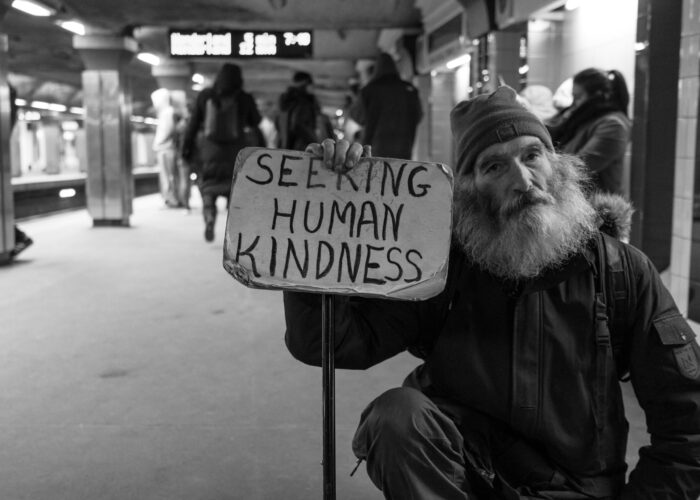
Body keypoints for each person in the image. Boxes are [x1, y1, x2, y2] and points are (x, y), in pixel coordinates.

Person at [283, 86, 700, 499]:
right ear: (471, 190)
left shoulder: (622, 272)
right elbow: (332, 342)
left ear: (558, 165)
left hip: (576, 489)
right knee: (395, 417)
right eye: (494, 167)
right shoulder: (439, 268)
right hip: (467, 480)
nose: (523, 180)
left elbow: (688, 420)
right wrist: (325, 224)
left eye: (532, 155)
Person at [181, 63, 261, 242]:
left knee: (208, 188)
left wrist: (186, 149)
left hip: (209, 152)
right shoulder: (243, 98)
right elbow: (256, 122)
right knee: (235, 191)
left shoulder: (205, 96)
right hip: (235, 152)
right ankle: (234, 233)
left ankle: (209, 217)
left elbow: (192, 125)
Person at [548, 69, 632, 195]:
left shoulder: (613, 126)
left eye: (578, 97)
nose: (574, 104)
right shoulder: (585, 119)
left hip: (599, 210)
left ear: (598, 96)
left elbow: (579, 168)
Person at [349, 52, 422, 159]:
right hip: (404, 150)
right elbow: (419, 116)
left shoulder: (369, 90)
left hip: (375, 151)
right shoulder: (410, 90)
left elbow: (357, 115)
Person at [277, 71, 325, 151]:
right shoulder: (303, 103)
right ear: (305, 83)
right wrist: (314, 140)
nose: (313, 87)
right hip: (302, 147)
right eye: (311, 83)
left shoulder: (288, 101)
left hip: (286, 146)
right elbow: (298, 124)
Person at [151, 88, 180, 208]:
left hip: (165, 148)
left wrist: (157, 143)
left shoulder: (167, 112)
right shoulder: (167, 112)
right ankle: (171, 198)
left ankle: (171, 199)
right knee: (169, 175)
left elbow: (167, 130)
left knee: (167, 176)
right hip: (167, 148)